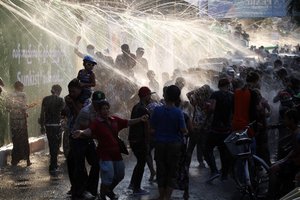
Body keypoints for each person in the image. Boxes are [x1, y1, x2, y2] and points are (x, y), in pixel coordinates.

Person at [73, 99, 148, 200]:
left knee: (120, 174)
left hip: (116, 153)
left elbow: (128, 122)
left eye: (107, 109)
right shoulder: (96, 123)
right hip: (104, 153)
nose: (105, 111)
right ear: (99, 111)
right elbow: (88, 131)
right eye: (103, 109)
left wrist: (140, 119)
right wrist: (81, 132)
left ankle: (108, 190)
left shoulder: (114, 120)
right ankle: (102, 195)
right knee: (108, 175)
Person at [150, 85, 188, 200]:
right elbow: (184, 130)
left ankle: (161, 196)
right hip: (174, 145)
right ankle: (167, 197)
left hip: (160, 144)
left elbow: (151, 129)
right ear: (177, 98)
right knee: (172, 172)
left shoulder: (157, 110)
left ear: (165, 96)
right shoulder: (178, 113)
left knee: (161, 171)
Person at [205, 78, 234, 182]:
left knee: (207, 149)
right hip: (227, 128)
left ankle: (214, 170)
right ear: (228, 85)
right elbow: (233, 111)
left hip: (216, 127)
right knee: (223, 150)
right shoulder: (232, 95)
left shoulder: (215, 95)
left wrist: (207, 118)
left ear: (219, 85)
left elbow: (212, 108)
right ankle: (224, 175)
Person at [128, 87, 154, 195]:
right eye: (149, 95)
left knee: (139, 162)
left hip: (133, 139)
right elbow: (146, 128)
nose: (150, 97)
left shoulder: (136, 107)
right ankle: (136, 188)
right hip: (140, 140)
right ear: (145, 96)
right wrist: (147, 143)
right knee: (142, 163)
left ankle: (132, 184)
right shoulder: (144, 109)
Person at [268, 109, 300, 199]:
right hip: (294, 162)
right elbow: (294, 151)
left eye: (286, 119)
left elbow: (296, 153)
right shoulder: (295, 131)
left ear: (292, 120)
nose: (284, 121)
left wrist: (282, 162)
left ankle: (272, 196)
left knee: (273, 170)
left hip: (296, 164)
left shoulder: (297, 134)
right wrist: (282, 161)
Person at [39, 84, 64, 176]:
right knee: (56, 145)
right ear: (59, 91)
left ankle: (53, 164)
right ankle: (53, 165)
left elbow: (42, 114)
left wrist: (42, 126)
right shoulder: (60, 100)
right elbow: (63, 113)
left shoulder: (45, 99)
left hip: (48, 126)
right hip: (57, 125)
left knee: (51, 144)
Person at [7, 81, 31, 166]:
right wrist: (25, 110)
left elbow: (8, 108)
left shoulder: (10, 95)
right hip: (22, 123)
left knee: (15, 140)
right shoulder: (23, 95)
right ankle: (27, 160)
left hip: (13, 123)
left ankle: (14, 160)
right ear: (20, 87)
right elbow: (24, 107)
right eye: (22, 87)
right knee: (24, 140)